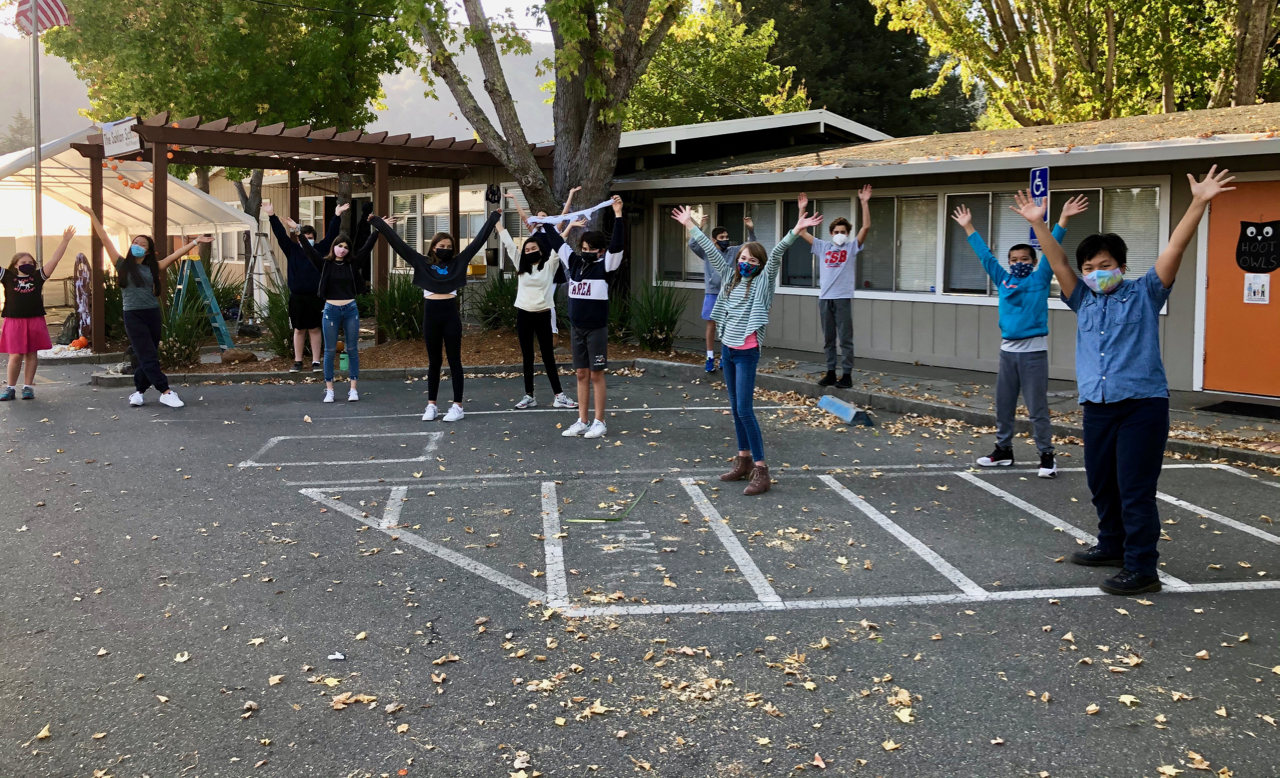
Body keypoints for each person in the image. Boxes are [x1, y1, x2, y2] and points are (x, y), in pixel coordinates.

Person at [1011, 166, 1236, 596]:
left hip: (1141, 406)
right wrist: (1039, 223)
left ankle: (1142, 568)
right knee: (1101, 483)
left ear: (1122, 266)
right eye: (1090, 267)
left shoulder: (1146, 292)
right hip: (1098, 406)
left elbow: (1175, 246)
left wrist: (1198, 202)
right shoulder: (1082, 298)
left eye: (1106, 265)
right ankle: (1112, 544)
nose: (1097, 272)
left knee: (1135, 488)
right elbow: (1057, 261)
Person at [672, 202, 824, 495]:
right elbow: (713, 253)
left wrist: (796, 230)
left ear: (759, 265)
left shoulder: (763, 282)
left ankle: (761, 470)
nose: (746, 263)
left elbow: (776, 253)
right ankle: (743, 461)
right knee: (735, 408)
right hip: (728, 350)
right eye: (743, 258)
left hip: (747, 352)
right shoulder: (731, 278)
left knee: (744, 409)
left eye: (752, 260)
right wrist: (690, 225)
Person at [952, 193, 1089, 478]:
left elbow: (1053, 249)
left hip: (1033, 354)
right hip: (1007, 353)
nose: (1019, 263)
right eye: (1014, 259)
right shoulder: (1003, 280)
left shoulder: (1040, 278)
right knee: (1004, 405)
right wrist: (968, 227)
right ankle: (1003, 450)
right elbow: (985, 256)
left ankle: (1047, 456)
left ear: (1034, 261)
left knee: (1037, 408)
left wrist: (1063, 219)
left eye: (1024, 258)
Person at [369, 206, 502, 422]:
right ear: (433, 247)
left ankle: (457, 406)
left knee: (454, 360)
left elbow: (478, 241)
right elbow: (398, 244)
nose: (445, 249)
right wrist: (378, 223)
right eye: (441, 246)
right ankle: (431, 405)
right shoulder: (422, 262)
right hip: (431, 314)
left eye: (449, 247)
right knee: (434, 362)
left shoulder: (458, 262)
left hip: (450, 314)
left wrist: (494, 217)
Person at [80, 204, 211, 409]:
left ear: (148, 250)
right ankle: (165, 392)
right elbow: (104, 238)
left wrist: (195, 241)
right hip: (133, 315)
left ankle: (139, 392)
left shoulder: (153, 267)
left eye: (142, 244)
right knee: (147, 355)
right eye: (135, 242)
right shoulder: (122, 264)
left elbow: (174, 256)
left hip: (152, 314)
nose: (138, 245)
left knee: (146, 355)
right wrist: (92, 214)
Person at [546, 195, 625, 440]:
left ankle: (599, 422)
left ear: (601, 251)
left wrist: (618, 214)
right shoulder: (574, 263)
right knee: (581, 374)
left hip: (596, 328)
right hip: (577, 328)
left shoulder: (606, 266)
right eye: (584, 248)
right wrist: (544, 222)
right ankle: (582, 420)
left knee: (596, 374)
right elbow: (555, 240)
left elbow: (617, 246)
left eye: (592, 249)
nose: (587, 252)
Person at [498, 193, 576, 410]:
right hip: (524, 315)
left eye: (534, 249)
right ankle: (529, 395)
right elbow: (508, 243)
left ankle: (559, 395)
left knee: (548, 356)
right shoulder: (520, 265)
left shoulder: (550, 265)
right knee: (527, 356)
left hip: (543, 315)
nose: (530, 251)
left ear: (541, 251)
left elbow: (559, 243)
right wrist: (495, 222)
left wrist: (563, 225)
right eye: (527, 249)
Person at [795, 186, 871, 389]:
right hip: (825, 299)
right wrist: (802, 209)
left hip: (842, 298)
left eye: (843, 232)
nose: (840, 235)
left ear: (848, 234)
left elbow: (866, 227)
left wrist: (864, 203)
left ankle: (846, 375)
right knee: (829, 339)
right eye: (836, 232)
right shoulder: (823, 246)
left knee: (845, 339)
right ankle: (830, 372)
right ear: (831, 233)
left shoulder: (851, 247)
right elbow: (801, 231)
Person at [264, 201, 349, 373]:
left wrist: (337, 215)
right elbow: (280, 235)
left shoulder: (321, 249)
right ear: (299, 238)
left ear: (314, 239)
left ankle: (316, 362)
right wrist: (272, 216)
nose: (308, 240)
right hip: (297, 296)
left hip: (316, 297)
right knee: (299, 329)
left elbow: (332, 233)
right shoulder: (292, 250)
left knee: (315, 329)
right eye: (306, 237)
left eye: (311, 237)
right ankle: (298, 361)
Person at [299, 227, 376, 402]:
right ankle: (330, 390)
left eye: (346, 247)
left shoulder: (352, 264)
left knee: (352, 349)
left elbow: (367, 248)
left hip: (350, 309)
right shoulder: (325, 264)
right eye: (340, 246)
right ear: (334, 246)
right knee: (330, 350)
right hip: (331, 310)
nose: (342, 249)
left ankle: (353, 389)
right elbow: (310, 252)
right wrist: (298, 232)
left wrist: (378, 229)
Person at [0, 226, 75, 400]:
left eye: (30, 262)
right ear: (15, 265)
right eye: (23, 262)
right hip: (14, 320)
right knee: (15, 355)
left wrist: (65, 241)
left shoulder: (38, 277)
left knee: (31, 354)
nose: (27, 264)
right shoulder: (7, 277)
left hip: (34, 319)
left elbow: (55, 260)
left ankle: (27, 387)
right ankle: (10, 387)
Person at [687, 213, 757, 372]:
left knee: (728, 325)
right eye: (722, 237)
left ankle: (725, 357)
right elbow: (692, 244)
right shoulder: (708, 251)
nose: (725, 239)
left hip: (730, 293)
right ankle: (710, 357)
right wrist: (700, 226)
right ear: (714, 240)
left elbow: (751, 246)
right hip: (712, 293)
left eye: (726, 237)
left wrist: (751, 229)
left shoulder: (734, 251)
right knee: (711, 325)